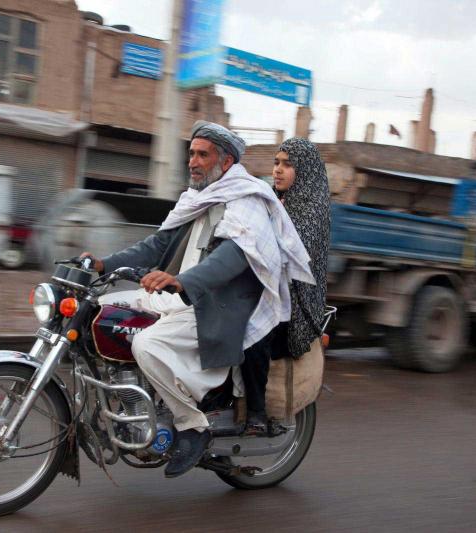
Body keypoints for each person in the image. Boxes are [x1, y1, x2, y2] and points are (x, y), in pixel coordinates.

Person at [83, 121, 314, 478]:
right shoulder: (196, 198)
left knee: (147, 344)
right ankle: (123, 402)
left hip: (221, 303)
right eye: (191, 153)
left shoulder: (246, 200)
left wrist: (181, 280)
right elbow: (157, 246)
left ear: (225, 163)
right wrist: (102, 264)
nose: (192, 160)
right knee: (103, 310)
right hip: (184, 295)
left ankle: (192, 426)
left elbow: (233, 257)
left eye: (202, 154)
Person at [241, 137, 331, 434]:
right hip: (269, 290)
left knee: (253, 332)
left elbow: (288, 252)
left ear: (303, 171)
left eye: (287, 165)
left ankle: (255, 413)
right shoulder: (274, 198)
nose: (277, 170)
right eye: (276, 163)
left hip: (296, 307)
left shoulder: (312, 208)